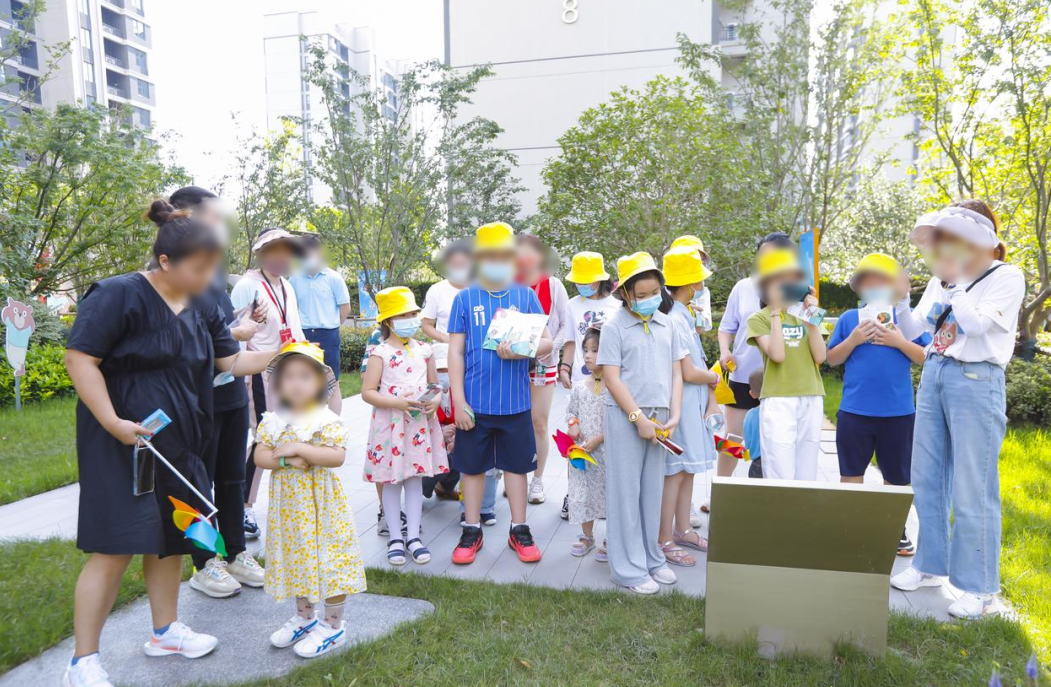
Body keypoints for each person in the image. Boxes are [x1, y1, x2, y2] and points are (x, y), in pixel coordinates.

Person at [63, 201, 279, 687]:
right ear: (164, 262)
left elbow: (229, 363)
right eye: (198, 269)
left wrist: (283, 354)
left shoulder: (201, 303)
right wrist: (113, 421)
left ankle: (164, 632)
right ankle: (82, 661)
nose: (207, 279)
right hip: (123, 441)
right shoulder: (118, 295)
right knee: (115, 546)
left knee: (174, 536)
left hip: (182, 440)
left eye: (212, 269)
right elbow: (80, 360)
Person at [890, 200, 1024, 619]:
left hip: (976, 379)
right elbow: (917, 328)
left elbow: (976, 325)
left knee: (973, 485)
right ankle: (929, 565)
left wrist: (957, 285)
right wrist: (900, 300)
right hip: (935, 373)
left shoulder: (1006, 276)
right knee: (925, 476)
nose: (944, 245)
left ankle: (980, 588)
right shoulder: (942, 277)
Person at [167, 186, 266, 599]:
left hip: (229, 392)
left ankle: (236, 553)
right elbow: (181, 336)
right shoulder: (172, 271)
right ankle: (204, 561)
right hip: (194, 398)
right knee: (196, 482)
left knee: (231, 477)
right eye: (213, 216)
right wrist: (235, 334)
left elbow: (215, 327)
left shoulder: (212, 272)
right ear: (185, 215)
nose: (219, 225)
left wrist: (241, 324)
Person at [252, 341, 367, 658]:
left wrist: (300, 448)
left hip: (322, 507)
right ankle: (305, 618)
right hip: (291, 510)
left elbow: (336, 457)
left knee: (331, 561)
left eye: (305, 376)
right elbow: (260, 455)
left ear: (319, 383)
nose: (296, 383)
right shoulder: (274, 420)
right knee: (298, 559)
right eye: (288, 377)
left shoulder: (325, 419)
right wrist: (286, 460)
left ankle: (333, 626)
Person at [448, 222, 553, 565]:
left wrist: (524, 349)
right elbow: (455, 353)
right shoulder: (464, 298)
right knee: (472, 468)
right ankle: (471, 528)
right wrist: (458, 401)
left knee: (517, 467)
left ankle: (519, 529)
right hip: (475, 405)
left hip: (515, 403)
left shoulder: (525, 296)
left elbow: (548, 342)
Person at [825, 253, 929, 557]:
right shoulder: (849, 319)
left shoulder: (906, 320)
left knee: (896, 476)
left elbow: (924, 356)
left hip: (898, 413)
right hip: (855, 411)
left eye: (881, 282)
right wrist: (854, 339)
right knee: (851, 471)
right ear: (858, 288)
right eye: (866, 283)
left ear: (894, 285)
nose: (874, 288)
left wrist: (899, 342)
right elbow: (832, 359)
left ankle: (894, 528)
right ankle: (852, 525)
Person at [598, 252, 685, 594]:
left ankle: (652, 558)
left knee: (652, 492)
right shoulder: (613, 327)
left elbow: (676, 372)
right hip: (625, 417)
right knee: (625, 493)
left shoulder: (668, 324)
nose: (649, 299)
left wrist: (674, 414)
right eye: (642, 294)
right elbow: (611, 378)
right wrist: (637, 418)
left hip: (660, 418)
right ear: (625, 294)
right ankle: (627, 569)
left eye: (654, 293)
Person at [230, 228, 313, 540]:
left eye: (286, 252)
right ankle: (243, 506)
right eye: (273, 251)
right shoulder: (247, 286)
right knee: (264, 437)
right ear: (260, 253)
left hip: (287, 371)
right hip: (258, 373)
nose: (280, 258)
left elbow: (295, 329)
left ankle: (282, 501)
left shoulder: (286, 285)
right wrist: (237, 376)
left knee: (287, 434)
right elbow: (236, 335)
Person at [361, 287, 449, 566]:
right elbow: (368, 392)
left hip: (418, 425)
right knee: (391, 480)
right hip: (391, 427)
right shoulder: (380, 352)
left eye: (413, 313)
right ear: (388, 321)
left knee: (414, 478)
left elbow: (434, 384)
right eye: (403, 315)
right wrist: (396, 402)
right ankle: (395, 538)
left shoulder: (425, 350)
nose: (410, 319)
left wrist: (435, 400)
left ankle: (413, 537)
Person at [711, 232, 796, 511]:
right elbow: (727, 328)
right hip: (742, 377)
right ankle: (721, 492)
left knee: (776, 441)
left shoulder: (795, 289)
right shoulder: (743, 287)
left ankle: (772, 499)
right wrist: (725, 351)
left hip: (782, 379)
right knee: (733, 438)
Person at [659, 247, 718, 566]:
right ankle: (664, 539)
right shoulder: (675, 318)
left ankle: (682, 529)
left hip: (691, 402)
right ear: (692, 282)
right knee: (676, 471)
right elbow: (688, 371)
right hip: (679, 404)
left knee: (687, 468)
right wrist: (715, 376)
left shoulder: (682, 314)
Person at [745, 247, 826, 481]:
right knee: (780, 469)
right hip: (779, 398)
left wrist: (811, 317)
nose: (789, 284)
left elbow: (820, 356)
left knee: (806, 471)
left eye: (794, 279)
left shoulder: (808, 314)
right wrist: (775, 313)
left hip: (811, 396)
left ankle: (802, 506)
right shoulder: (759, 318)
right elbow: (777, 355)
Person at [557, 251, 620, 519]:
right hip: (583, 379)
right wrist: (564, 367)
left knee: (607, 439)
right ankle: (575, 496)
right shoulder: (572, 305)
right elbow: (571, 341)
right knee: (580, 437)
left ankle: (606, 501)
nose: (582, 285)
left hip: (611, 380)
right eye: (579, 281)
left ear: (600, 279)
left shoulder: (617, 305)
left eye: (587, 280)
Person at [421, 240, 477, 506]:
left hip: (472, 367)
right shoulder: (437, 290)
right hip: (443, 365)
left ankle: (451, 485)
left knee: (468, 430)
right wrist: (449, 339)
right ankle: (429, 481)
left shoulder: (479, 289)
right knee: (443, 431)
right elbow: (426, 325)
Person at [515, 234, 569, 505]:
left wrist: (548, 349)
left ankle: (537, 480)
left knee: (539, 422)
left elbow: (566, 326)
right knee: (514, 422)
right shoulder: (508, 284)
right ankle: (514, 475)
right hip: (512, 364)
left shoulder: (553, 285)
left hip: (543, 363)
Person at [564, 325, 608, 561]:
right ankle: (587, 536)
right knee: (584, 493)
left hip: (607, 452)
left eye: (595, 350)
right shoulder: (580, 387)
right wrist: (573, 424)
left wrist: (600, 438)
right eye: (586, 350)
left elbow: (621, 420)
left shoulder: (615, 388)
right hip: (584, 453)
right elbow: (571, 412)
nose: (588, 355)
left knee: (610, 493)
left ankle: (612, 538)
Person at [290, 234, 352, 375]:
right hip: (303, 334)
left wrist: (332, 324)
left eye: (310, 253)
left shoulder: (334, 278)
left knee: (331, 377)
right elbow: (293, 307)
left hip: (329, 334)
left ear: (319, 253)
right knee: (305, 375)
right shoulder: (294, 279)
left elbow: (345, 308)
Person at [743, 369, 764, 479]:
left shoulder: (751, 415)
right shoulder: (784, 413)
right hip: (780, 461)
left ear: (752, 394)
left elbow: (748, 446)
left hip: (757, 464)